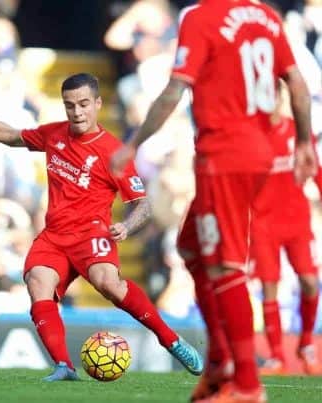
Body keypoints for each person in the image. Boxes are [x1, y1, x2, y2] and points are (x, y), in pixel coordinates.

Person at [0, 72, 204, 381]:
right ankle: (64, 366)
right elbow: (10, 135)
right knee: (37, 282)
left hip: (92, 234)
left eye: (84, 104)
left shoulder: (113, 152)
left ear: (98, 103)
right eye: (70, 105)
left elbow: (143, 203)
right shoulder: (54, 134)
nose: (77, 112)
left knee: (107, 282)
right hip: (54, 236)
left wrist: (126, 226)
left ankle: (170, 339)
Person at [110, 1, 317, 402]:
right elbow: (297, 84)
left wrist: (133, 143)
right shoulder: (267, 17)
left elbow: (175, 90)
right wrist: (305, 142)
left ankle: (247, 384)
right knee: (191, 248)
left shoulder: (200, 17)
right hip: (257, 152)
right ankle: (221, 362)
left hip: (225, 155)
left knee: (224, 265)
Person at [251, 87, 322, 376]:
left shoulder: (296, 132)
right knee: (270, 286)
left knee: (309, 282)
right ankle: (277, 356)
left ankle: (305, 344)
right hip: (262, 224)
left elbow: (315, 169)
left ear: (281, 99)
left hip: (296, 221)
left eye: (274, 97)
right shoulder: (250, 138)